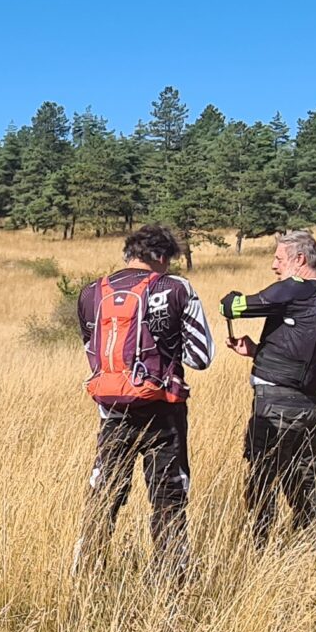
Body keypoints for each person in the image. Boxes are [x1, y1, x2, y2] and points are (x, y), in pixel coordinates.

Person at [76, 223, 215, 579]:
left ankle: (86, 574)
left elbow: (92, 351)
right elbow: (201, 357)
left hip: (112, 411)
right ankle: (171, 581)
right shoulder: (176, 288)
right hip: (163, 411)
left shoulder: (92, 292)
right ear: (162, 257)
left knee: (105, 494)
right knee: (168, 498)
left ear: (129, 253)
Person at [222, 230, 316, 546]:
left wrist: (230, 301)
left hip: (276, 403)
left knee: (262, 474)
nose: (274, 266)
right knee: (301, 476)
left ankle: (259, 547)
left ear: (299, 259)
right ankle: (312, 543)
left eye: (279, 259)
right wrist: (257, 351)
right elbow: (306, 349)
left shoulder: (296, 288)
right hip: (310, 403)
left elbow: (236, 306)